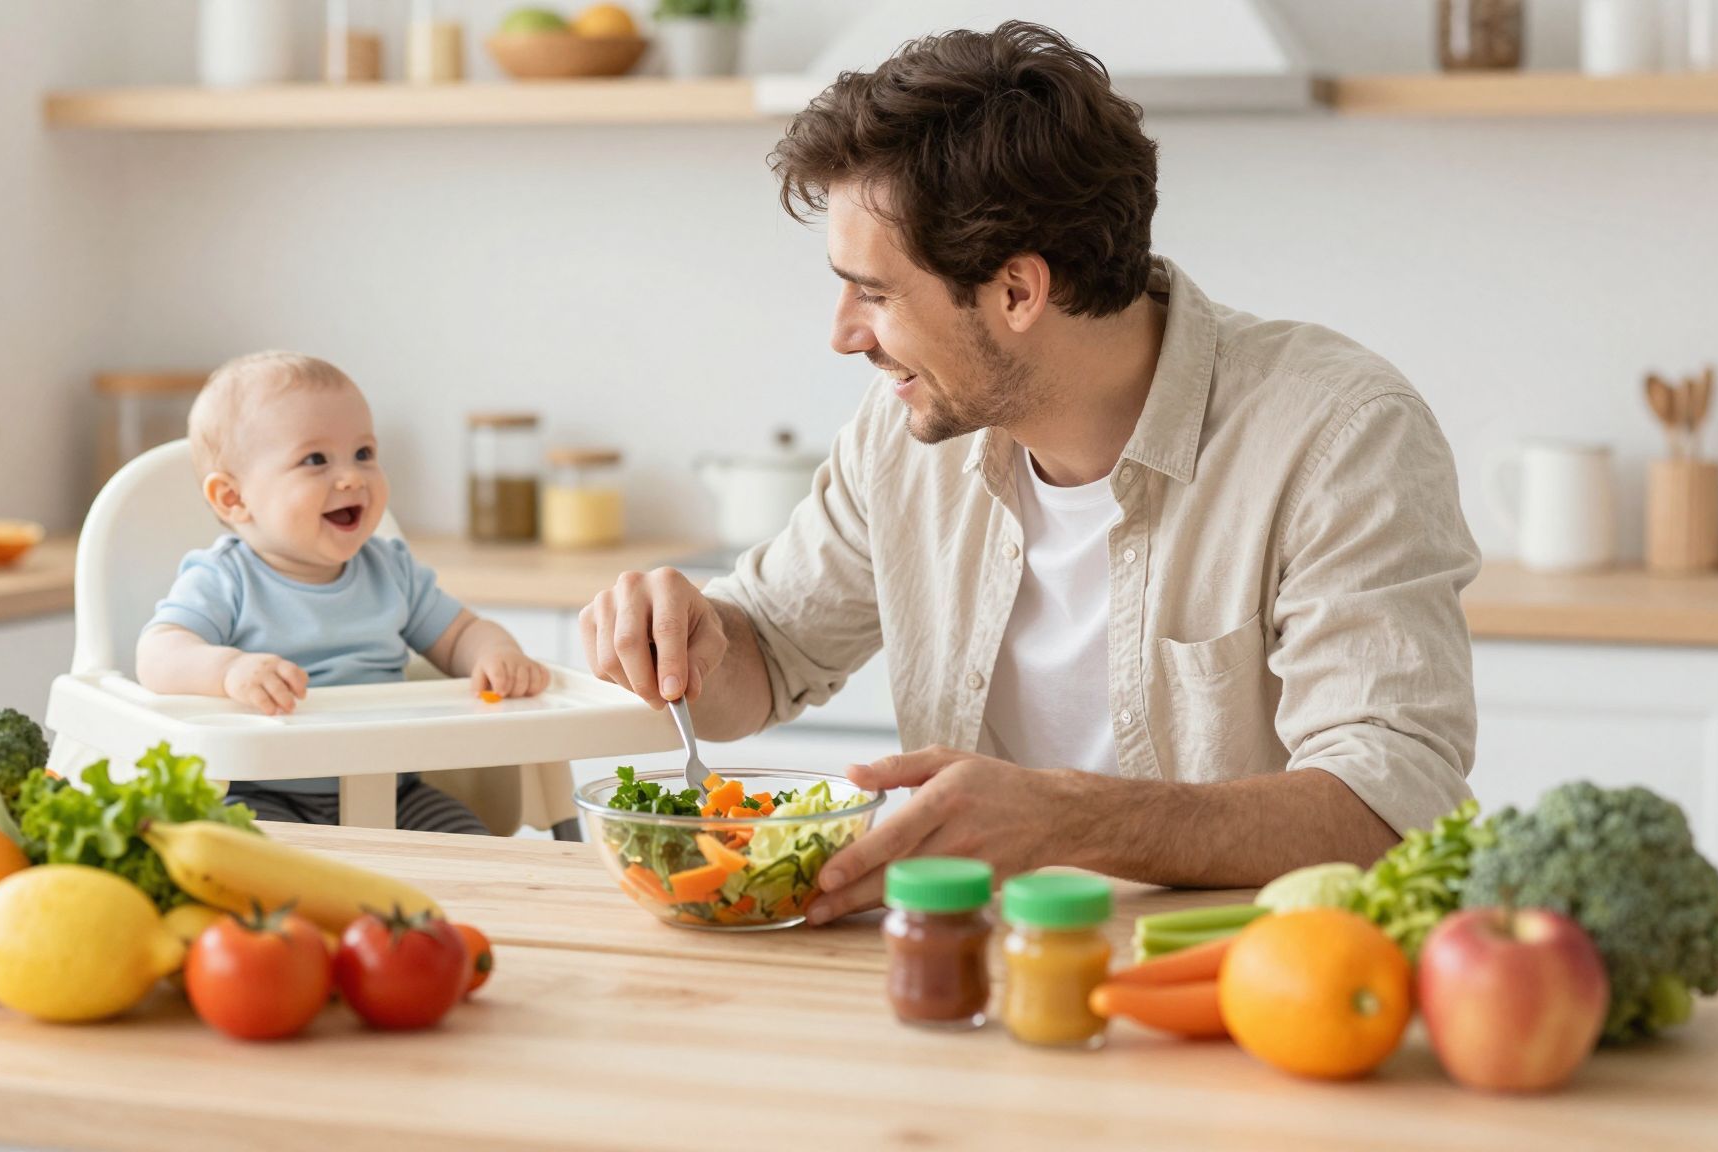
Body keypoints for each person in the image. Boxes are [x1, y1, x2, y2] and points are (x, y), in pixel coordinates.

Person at [578, 22, 1480, 922]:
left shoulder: (1338, 434)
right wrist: (690, 636)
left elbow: (1391, 811)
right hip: (964, 959)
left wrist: (1069, 819)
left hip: (1241, 982)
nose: (844, 334)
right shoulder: (903, 436)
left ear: (1017, 291)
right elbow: (768, 654)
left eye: (876, 293)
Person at [138, 350, 550, 833]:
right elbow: (159, 653)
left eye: (364, 454)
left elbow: (461, 634)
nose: (352, 476)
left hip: (396, 792)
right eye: (315, 459)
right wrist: (230, 671)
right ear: (234, 498)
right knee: (253, 856)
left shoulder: (390, 570)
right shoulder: (225, 579)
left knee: (474, 852)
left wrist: (497, 654)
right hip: (265, 792)